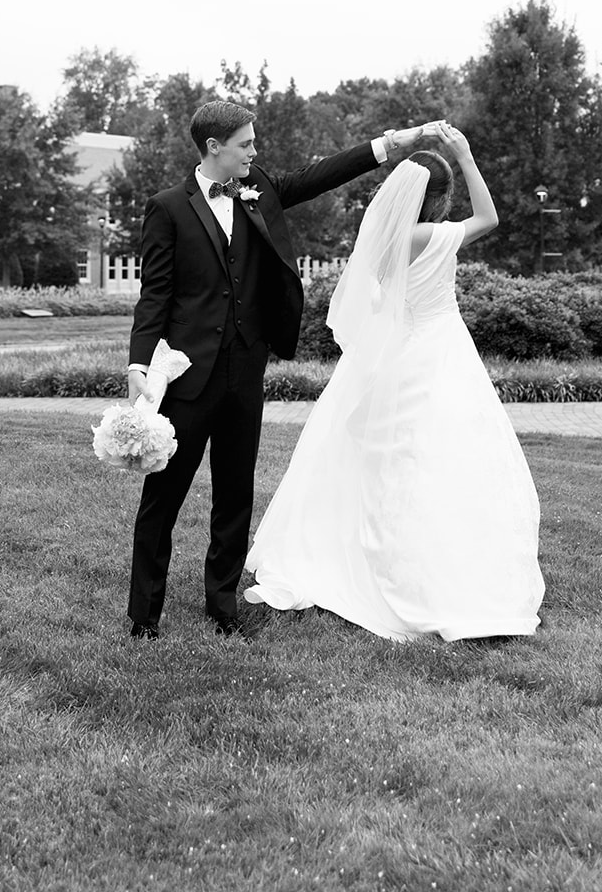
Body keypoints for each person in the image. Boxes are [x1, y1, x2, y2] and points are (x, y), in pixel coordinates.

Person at [125, 98, 438, 639]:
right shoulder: (167, 208)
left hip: (246, 368)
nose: (254, 151)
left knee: (235, 492)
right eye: (245, 143)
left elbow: (320, 175)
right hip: (187, 373)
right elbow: (156, 293)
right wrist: (137, 362)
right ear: (213, 147)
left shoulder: (259, 188)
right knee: (164, 495)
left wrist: (392, 144)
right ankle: (144, 616)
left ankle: (222, 607)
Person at [244, 123, 545, 642]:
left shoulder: (383, 240)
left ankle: (362, 554)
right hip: (440, 353)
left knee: (379, 461)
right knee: (447, 461)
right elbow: (490, 218)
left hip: (392, 356)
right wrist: (468, 157)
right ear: (440, 198)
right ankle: (443, 571)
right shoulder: (433, 236)